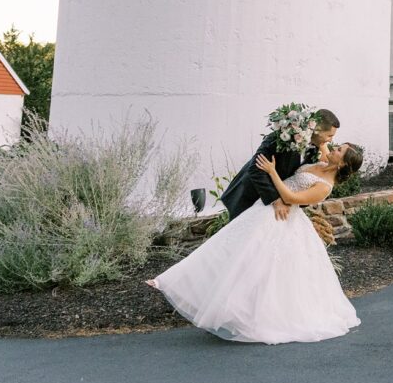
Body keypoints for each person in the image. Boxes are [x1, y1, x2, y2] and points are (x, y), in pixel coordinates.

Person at [148, 140, 365, 343]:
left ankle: (248, 314)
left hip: (281, 217)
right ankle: (175, 281)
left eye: (339, 150)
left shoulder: (325, 186)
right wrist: (303, 127)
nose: (334, 149)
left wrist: (272, 172)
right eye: (336, 146)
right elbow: (324, 139)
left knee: (259, 264)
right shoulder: (326, 160)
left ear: (343, 163)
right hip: (263, 209)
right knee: (226, 245)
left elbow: (291, 198)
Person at [217, 108, 339, 222]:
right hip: (251, 195)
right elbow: (255, 169)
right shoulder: (280, 137)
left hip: (279, 208)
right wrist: (275, 200)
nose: (330, 140)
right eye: (330, 135)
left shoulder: (314, 148)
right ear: (316, 130)